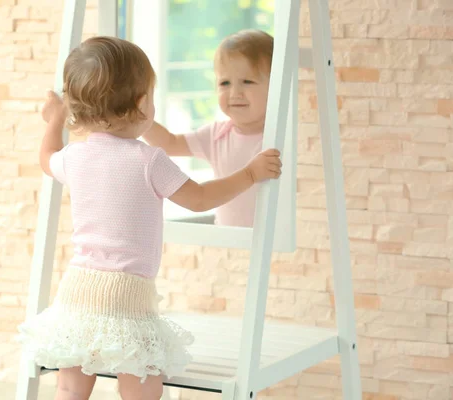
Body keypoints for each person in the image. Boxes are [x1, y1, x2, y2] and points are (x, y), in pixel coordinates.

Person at [17, 36, 281, 400]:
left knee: (69, 385)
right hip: (128, 295)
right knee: (141, 382)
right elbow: (201, 198)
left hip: (76, 290)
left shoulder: (76, 156)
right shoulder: (149, 160)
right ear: (143, 104)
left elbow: (46, 158)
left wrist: (54, 119)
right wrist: (250, 174)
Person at [143, 29, 275, 228]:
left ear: (275, 87)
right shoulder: (216, 135)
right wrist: (140, 118)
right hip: (226, 241)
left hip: (273, 247)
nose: (234, 92)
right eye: (225, 83)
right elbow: (169, 144)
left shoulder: (281, 136)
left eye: (247, 81)